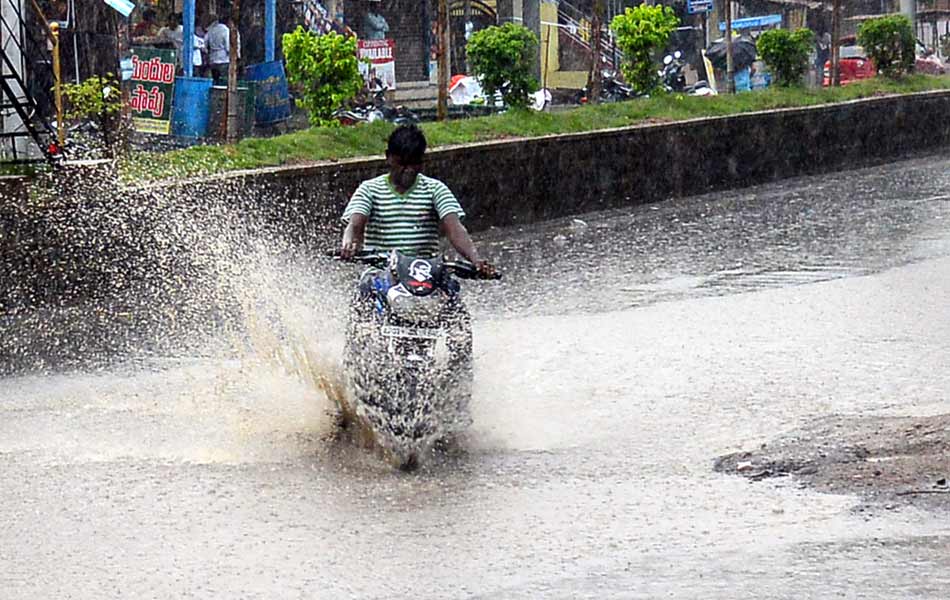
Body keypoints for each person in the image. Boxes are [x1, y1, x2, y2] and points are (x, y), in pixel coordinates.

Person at [340, 125, 494, 278]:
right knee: (368, 290)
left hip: (425, 274)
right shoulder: (369, 190)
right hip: (380, 274)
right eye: (402, 163)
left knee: (450, 291)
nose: (409, 169)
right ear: (388, 157)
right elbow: (355, 224)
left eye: (414, 163)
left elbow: (455, 229)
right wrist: (349, 243)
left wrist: (476, 261)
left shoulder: (435, 189)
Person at [204, 15, 240, 84]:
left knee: (215, 80)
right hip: (223, 59)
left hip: (213, 59)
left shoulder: (211, 30)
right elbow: (227, 46)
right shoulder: (225, 30)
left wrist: (208, 52)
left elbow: (205, 43)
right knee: (224, 81)